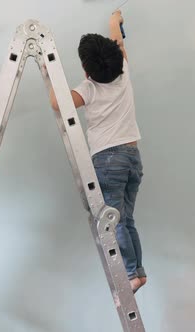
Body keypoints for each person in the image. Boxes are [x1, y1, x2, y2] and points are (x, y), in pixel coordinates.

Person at [49, 10, 147, 292]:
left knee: (112, 221)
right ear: (117, 60)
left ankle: (131, 274)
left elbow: (58, 103)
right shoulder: (124, 73)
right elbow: (118, 41)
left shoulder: (89, 88)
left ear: (86, 70)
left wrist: (49, 72)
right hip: (132, 157)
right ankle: (137, 271)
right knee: (125, 219)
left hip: (108, 160)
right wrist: (114, 21)